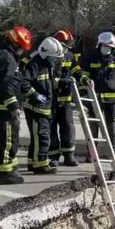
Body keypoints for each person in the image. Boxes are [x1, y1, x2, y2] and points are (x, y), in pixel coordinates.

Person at [0, 25, 33, 185]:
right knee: (9, 139)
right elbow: (8, 84)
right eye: (21, 47)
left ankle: (11, 168)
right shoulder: (8, 58)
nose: (21, 51)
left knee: (8, 138)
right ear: (15, 43)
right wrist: (13, 106)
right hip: (4, 106)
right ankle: (5, 174)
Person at [79, 31, 115, 161]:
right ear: (99, 45)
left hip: (112, 99)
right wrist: (85, 87)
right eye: (104, 46)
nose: (106, 49)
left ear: (113, 48)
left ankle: (112, 153)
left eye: (109, 47)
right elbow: (83, 75)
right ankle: (91, 154)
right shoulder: (91, 58)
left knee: (112, 125)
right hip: (94, 97)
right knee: (93, 126)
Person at [21, 37, 63, 175]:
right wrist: (35, 95)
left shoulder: (47, 65)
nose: (55, 60)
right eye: (53, 57)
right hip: (35, 108)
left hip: (44, 107)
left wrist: (61, 83)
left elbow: (48, 84)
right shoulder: (34, 64)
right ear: (45, 53)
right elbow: (24, 83)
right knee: (42, 136)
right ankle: (41, 164)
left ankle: (33, 163)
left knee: (37, 137)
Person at [49, 30, 84, 167]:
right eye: (64, 46)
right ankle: (53, 157)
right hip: (51, 100)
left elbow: (76, 70)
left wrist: (83, 78)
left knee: (68, 127)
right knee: (51, 129)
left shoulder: (69, 56)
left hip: (65, 99)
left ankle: (69, 156)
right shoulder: (49, 57)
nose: (65, 49)